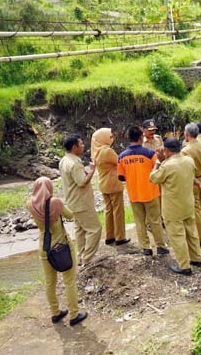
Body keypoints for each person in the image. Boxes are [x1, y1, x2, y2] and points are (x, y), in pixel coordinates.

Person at [28, 177, 88, 326]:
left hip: (44, 249)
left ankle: (55, 313)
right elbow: (70, 215)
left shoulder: (30, 204)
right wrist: (61, 205)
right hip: (62, 248)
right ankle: (74, 315)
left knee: (50, 283)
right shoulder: (55, 202)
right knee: (69, 281)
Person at [149, 138, 201, 275]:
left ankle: (184, 266)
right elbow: (191, 175)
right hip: (188, 204)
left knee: (177, 236)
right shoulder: (189, 160)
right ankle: (196, 259)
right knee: (191, 233)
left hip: (173, 208)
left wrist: (158, 162)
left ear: (167, 151)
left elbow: (153, 178)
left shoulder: (167, 165)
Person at [118, 126, 169, 256]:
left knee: (139, 221)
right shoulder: (150, 154)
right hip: (151, 192)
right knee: (155, 221)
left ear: (128, 138)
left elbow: (121, 177)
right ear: (141, 137)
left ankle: (145, 247)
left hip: (134, 194)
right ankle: (161, 246)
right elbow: (157, 171)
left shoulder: (121, 157)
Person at [58, 134, 102, 266]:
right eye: (81, 144)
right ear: (74, 147)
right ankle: (88, 259)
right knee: (95, 229)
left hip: (73, 201)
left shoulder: (64, 160)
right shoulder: (74, 164)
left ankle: (81, 256)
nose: (83, 146)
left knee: (80, 230)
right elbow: (82, 182)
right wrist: (92, 170)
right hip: (82, 202)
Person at [91, 128, 130, 246]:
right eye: (110, 136)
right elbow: (120, 162)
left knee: (108, 210)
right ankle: (120, 237)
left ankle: (109, 236)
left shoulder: (95, 151)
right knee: (118, 211)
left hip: (103, 184)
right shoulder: (107, 151)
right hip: (113, 183)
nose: (112, 138)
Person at [181, 123, 201, 245]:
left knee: (196, 209)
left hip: (194, 181)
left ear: (187, 134)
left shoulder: (185, 151)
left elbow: (186, 169)